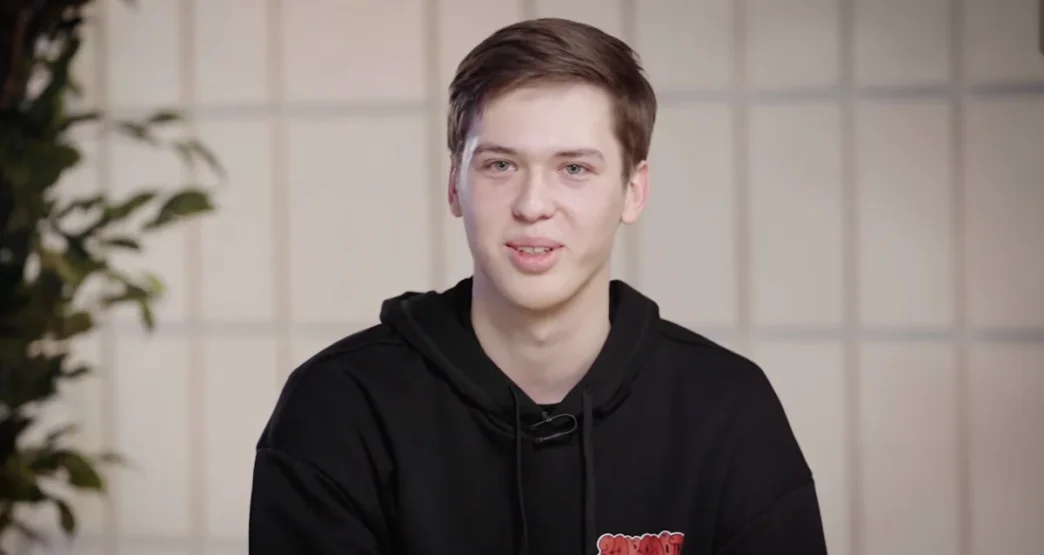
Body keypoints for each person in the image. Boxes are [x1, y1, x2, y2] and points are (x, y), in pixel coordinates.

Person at [248, 17, 827, 555]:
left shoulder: (727, 408)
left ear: (633, 191)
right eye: (500, 165)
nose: (532, 205)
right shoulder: (337, 407)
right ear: (454, 185)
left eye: (574, 168)